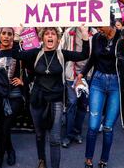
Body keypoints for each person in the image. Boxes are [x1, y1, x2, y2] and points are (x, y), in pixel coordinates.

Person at [77, 0, 124, 168]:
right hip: (98, 82)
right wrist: (81, 75)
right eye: (96, 26)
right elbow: (92, 59)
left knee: (108, 127)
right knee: (92, 126)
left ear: (111, 22)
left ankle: (104, 159)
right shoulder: (96, 39)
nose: (98, 29)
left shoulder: (123, 36)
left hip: (116, 84)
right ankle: (88, 159)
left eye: (100, 25)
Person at [13, 26, 90, 168]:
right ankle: (41, 160)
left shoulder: (62, 54)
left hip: (56, 101)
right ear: (42, 38)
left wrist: (84, 34)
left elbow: (84, 54)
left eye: (53, 34)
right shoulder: (36, 53)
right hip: (37, 101)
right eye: (47, 34)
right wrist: (17, 33)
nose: (50, 36)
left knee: (55, 139)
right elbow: (16, 54)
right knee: (39, 135)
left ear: (58, 38)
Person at [0, 27, 24, 168]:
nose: (6, 36)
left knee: (5, 127)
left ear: (13, 36)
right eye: (3, 33)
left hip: (14, 95)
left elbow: (31, 68)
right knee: (1, 128)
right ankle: (10, 150)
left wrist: (22, 81)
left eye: (9, 34)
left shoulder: (18, 52)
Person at [59, 26, 91, 148]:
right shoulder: (69, 32)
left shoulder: (94, 33)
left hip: (87, 75)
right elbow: (61, 51)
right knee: (72, 103)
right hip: (71, 75)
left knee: (83, 105)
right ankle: (68, 135)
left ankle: (77, 132)